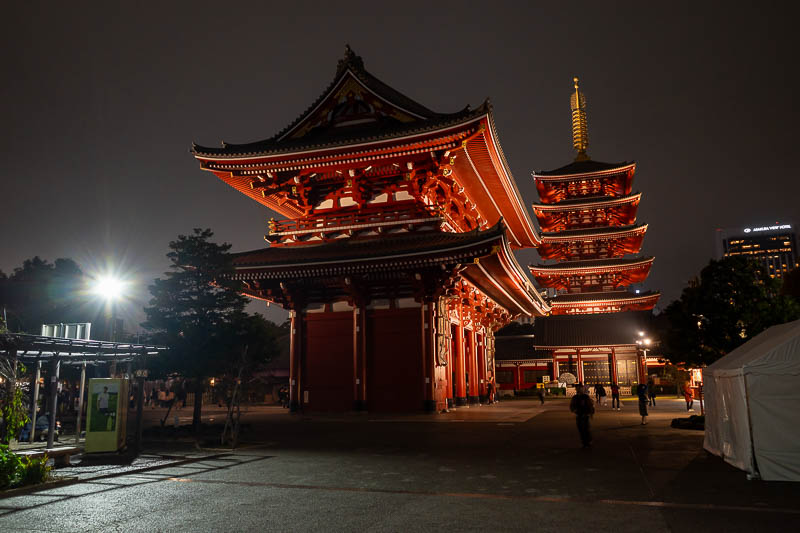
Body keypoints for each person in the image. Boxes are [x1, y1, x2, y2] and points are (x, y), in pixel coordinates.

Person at [569, 384, 595, 448]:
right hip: (579, 415)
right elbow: (572, 406)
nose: (579, 389)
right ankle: (584, 442)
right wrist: (574, 410)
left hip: (585, 415)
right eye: (577, 388)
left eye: (580, 388)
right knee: (580, 429)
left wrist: (591, 413)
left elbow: (590, 405)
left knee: (586, 429)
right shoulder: (575, 397)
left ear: (582, 389)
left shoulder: (585, 397)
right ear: (576, 389)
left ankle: (588, 441)